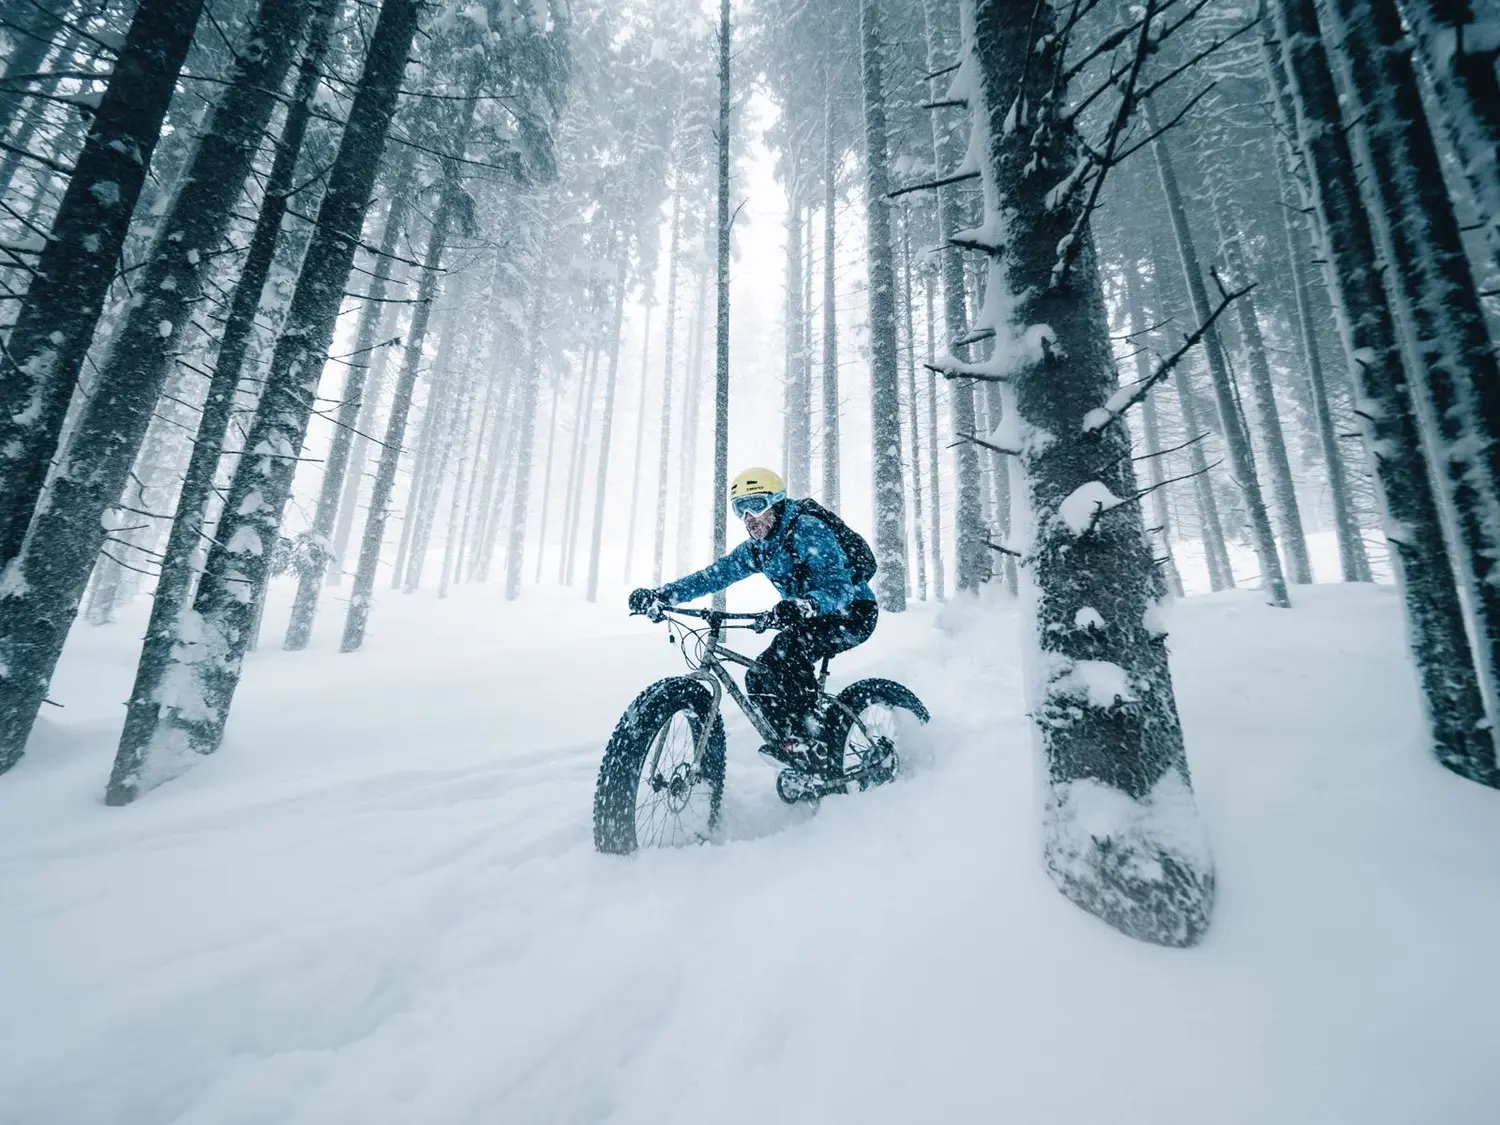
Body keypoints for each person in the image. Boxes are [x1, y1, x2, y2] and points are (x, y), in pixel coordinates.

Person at [628, 467, 877, 774]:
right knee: (759, 675)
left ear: (777, 502)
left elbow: (840, 588)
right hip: (809, 617)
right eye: (739, 509)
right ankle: (795, 744)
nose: (749, 517)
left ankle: (816, 745)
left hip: (852, 613)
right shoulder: (759, 550)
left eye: (756, 506)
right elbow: (712, 576)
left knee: (786, 655)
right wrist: (663, 595)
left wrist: (805, 604)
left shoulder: (807, 529)